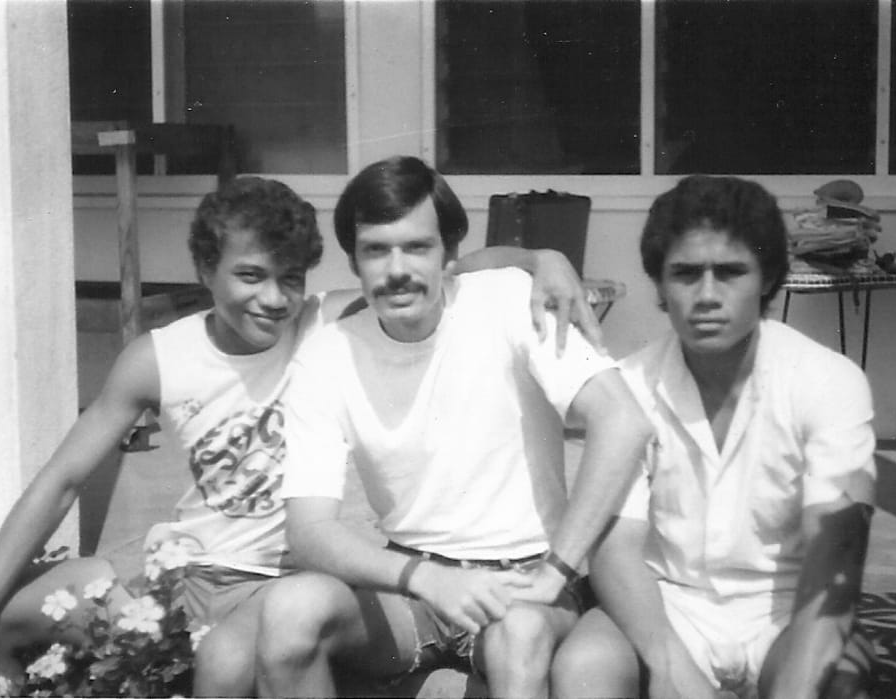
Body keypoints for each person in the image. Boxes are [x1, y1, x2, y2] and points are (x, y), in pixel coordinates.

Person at [0, 175, 601, 697]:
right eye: (250, 276)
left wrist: (540, 259)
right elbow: (60, 481)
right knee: (23, 613)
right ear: (205, 269)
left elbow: (443, 269)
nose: (272, 299)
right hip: (184, 570)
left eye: (290, 278)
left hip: (276, 581)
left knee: (222, 667)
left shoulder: (325, 323)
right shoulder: (158, 357)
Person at [254, 155, 653, 698]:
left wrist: (558, 568)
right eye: (376, 250)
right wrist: (427, 579)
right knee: (289, 609)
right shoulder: (327, 356)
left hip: (523, 581)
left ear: (449, 255)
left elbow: (623, 421)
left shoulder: (507, 301)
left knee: (520, 632)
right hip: (410, 587)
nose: (397, 270)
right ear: (354, 261)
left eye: (417, 247)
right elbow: (309, 533)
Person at [551, 174, 877, 699]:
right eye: (684, 274)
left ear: (767, 278)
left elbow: (834, 561)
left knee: (837, 683)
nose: (706, 295)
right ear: (659, 284)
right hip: (665, 603)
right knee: (583, 669)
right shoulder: (629, 387)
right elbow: (615, 553)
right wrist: (670, 668)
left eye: (729, 273)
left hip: (787, 606)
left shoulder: (828, 381)